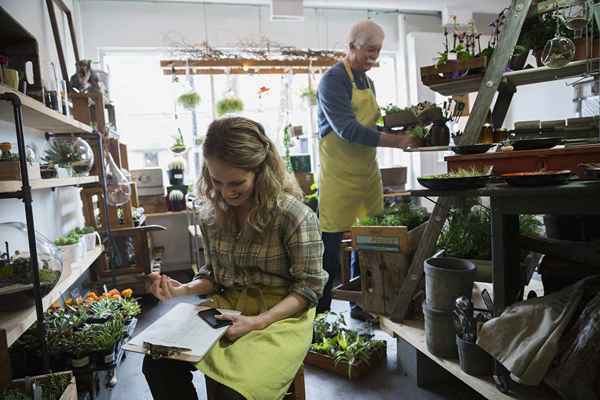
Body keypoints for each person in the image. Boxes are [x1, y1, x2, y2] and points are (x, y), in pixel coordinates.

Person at [142, 117, 328, 400]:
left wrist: (259, 321)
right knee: (157, 363)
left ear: (261, 171)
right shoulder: (212, 212)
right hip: (226, 306)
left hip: (281, 316)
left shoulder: (293, 215)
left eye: (237, 182)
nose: (226, 192)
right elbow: (216, 274)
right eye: (217, 181)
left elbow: (309, 288)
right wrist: (183, 289)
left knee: (234, 394)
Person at [316, 20, 416, 316]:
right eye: (369, 51)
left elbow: (370, 125)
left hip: (366, 171)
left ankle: (364, 301)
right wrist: (397, 141)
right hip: (338, 173)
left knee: (371, 238)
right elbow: (348, 129)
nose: (373, 57)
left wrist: (407, 127)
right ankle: (320, 312)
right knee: (331, 245)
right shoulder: (333, 79)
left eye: (378, 51)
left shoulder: (368, 82)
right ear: (351, 47)